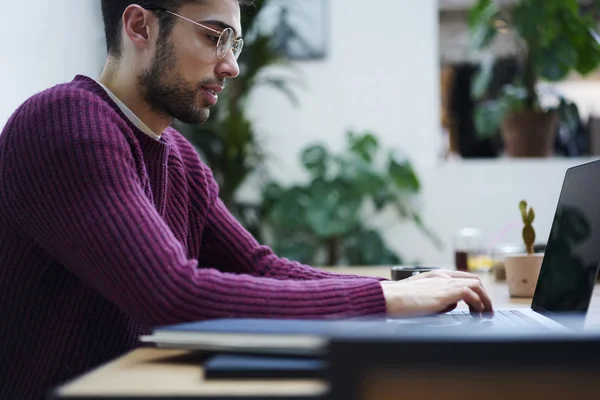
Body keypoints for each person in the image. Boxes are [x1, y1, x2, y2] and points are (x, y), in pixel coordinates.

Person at [0, 0, 493, 398]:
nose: (231, 65)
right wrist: (387, 297)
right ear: (139, 26)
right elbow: (173, 295)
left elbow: (259, 267)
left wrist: (408, 291)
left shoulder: (177, 155)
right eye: (215, 36)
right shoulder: (65, 124)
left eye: (234, 43)